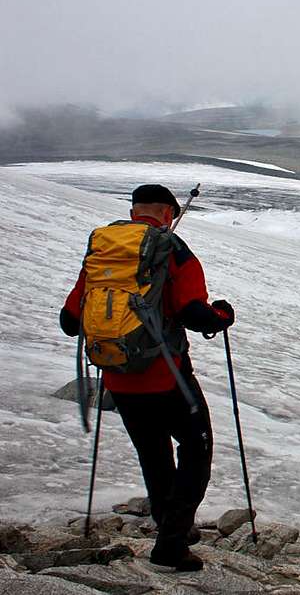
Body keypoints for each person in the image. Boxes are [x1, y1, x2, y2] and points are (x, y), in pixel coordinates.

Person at [59, 184, 234, 572]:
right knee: (195, 449)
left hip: (119, 380)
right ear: (169, 213)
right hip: (166, 375)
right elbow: (193, 313)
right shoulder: (170, 250)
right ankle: (171, 544)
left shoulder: (105, 251)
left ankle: (171, 528)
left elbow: (70, 321)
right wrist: (223, 316)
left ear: (135, 210)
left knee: (153, 454)